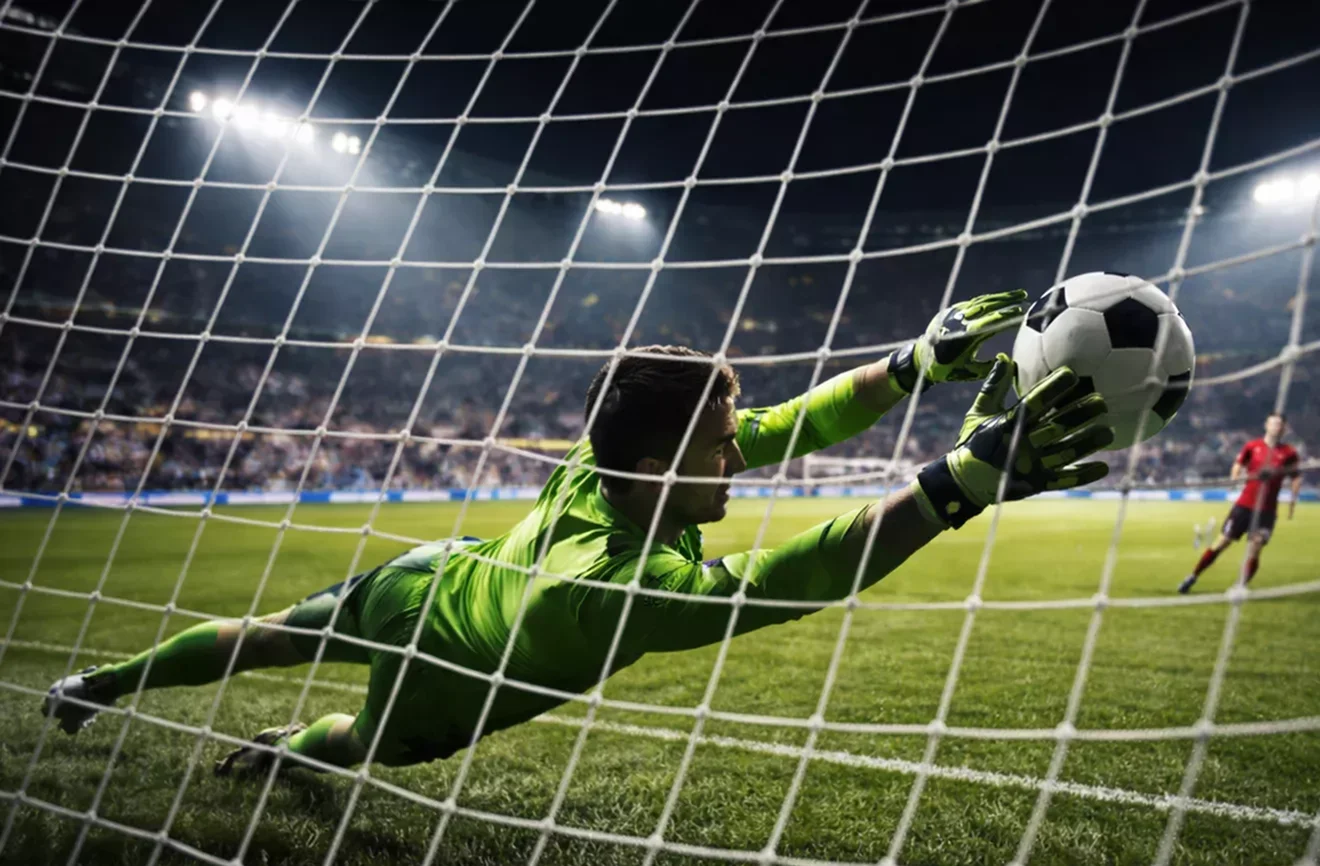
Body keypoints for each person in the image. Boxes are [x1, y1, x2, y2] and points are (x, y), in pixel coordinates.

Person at [43, 291, 1113, 774]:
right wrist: (958, 483)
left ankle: (102, 683)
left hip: (423, 580)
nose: (741, 455)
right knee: (361, 740)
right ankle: (275, 749)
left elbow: (797, 421)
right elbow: (793, 573)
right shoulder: (605, 592)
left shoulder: (606, 470)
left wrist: (914, 364)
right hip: (456, 677)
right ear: (660, 466)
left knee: (272, 633)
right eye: (719, 445)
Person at [1178, 412, 1302, 593]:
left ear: (1284, 428)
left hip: (1266, 511)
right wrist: (1234, 479)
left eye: (1279, 425)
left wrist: (1293, 499)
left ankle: (1240, 586)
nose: (1276, 427)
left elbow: (1296, 476)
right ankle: (1193, 576)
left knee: (1255, 547)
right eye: (1273, 423)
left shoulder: (1289, 453)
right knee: (1221, 543)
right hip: (1244, 506)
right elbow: (1238, 464)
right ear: (1266, 425)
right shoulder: (1252, 446)